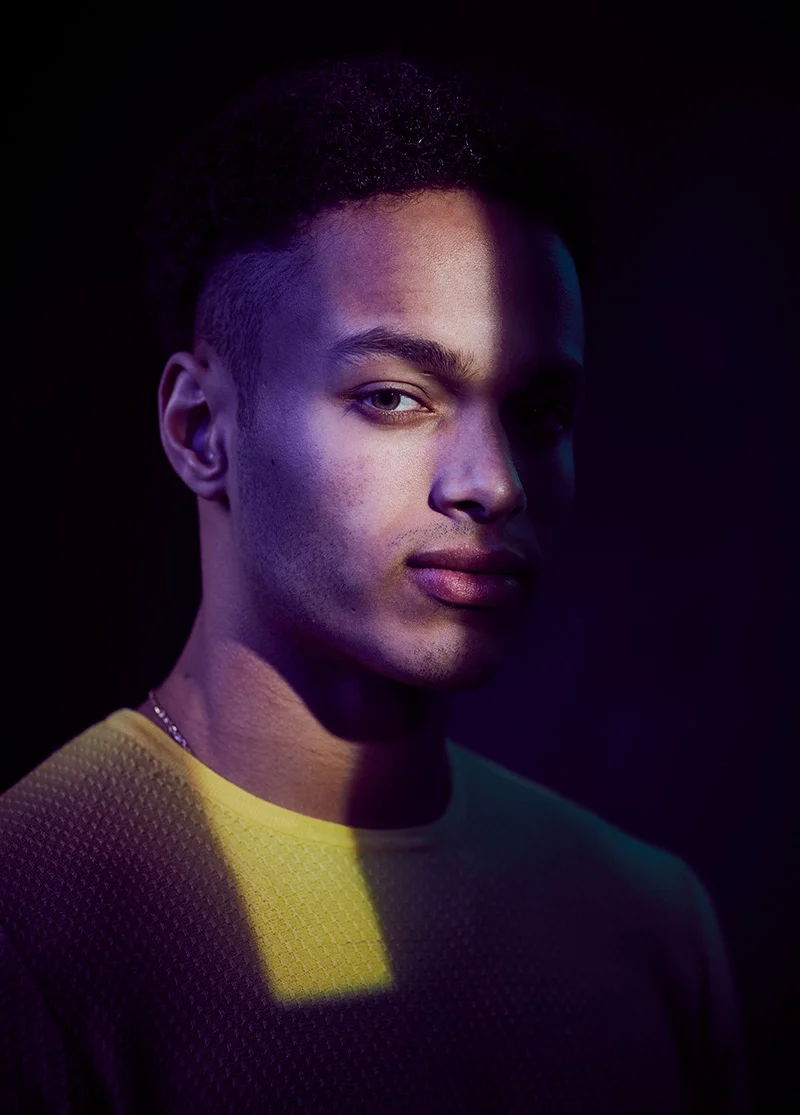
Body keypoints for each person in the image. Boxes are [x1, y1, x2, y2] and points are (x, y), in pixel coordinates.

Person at [0, 49, 750, 1114]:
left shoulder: (650, 926)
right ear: (199, 429)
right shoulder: (32, 915)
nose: (491, 483)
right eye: (395, 396)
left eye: (537, 413)